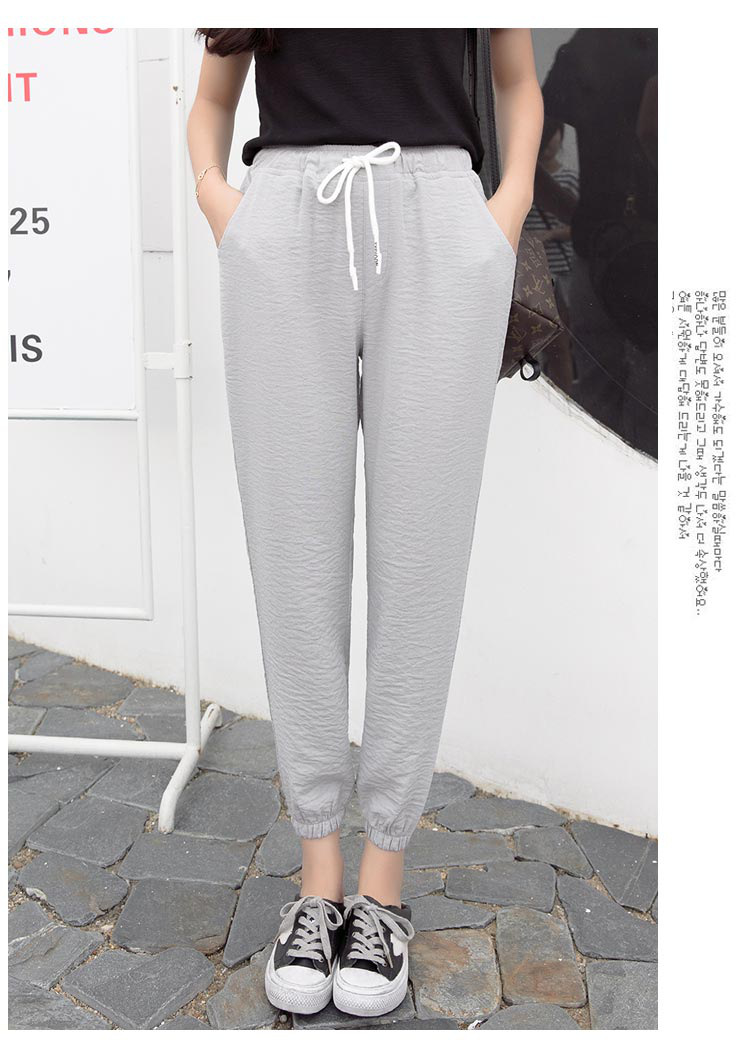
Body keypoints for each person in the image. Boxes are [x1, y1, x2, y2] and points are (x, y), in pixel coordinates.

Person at [188, 28, 542, 1018]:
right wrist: (226, 206)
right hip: (285, 222)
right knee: (292, 556)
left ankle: (382, 888)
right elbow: (211, 99)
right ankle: (319, 883)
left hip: (437, 220)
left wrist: (504, 210)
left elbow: (517, 81)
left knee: (422, 561)